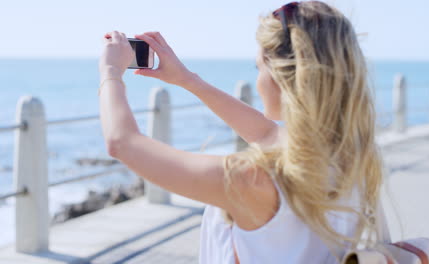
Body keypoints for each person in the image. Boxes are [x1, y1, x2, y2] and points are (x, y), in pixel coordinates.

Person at [98, 1, 384, 263]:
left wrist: (110, 72)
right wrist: (186, 79)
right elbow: (265, 133)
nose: (258, 80)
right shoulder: (351, 156)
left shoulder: (253, 179)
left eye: (258, 67)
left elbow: (123, 143)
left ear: (280, 77)